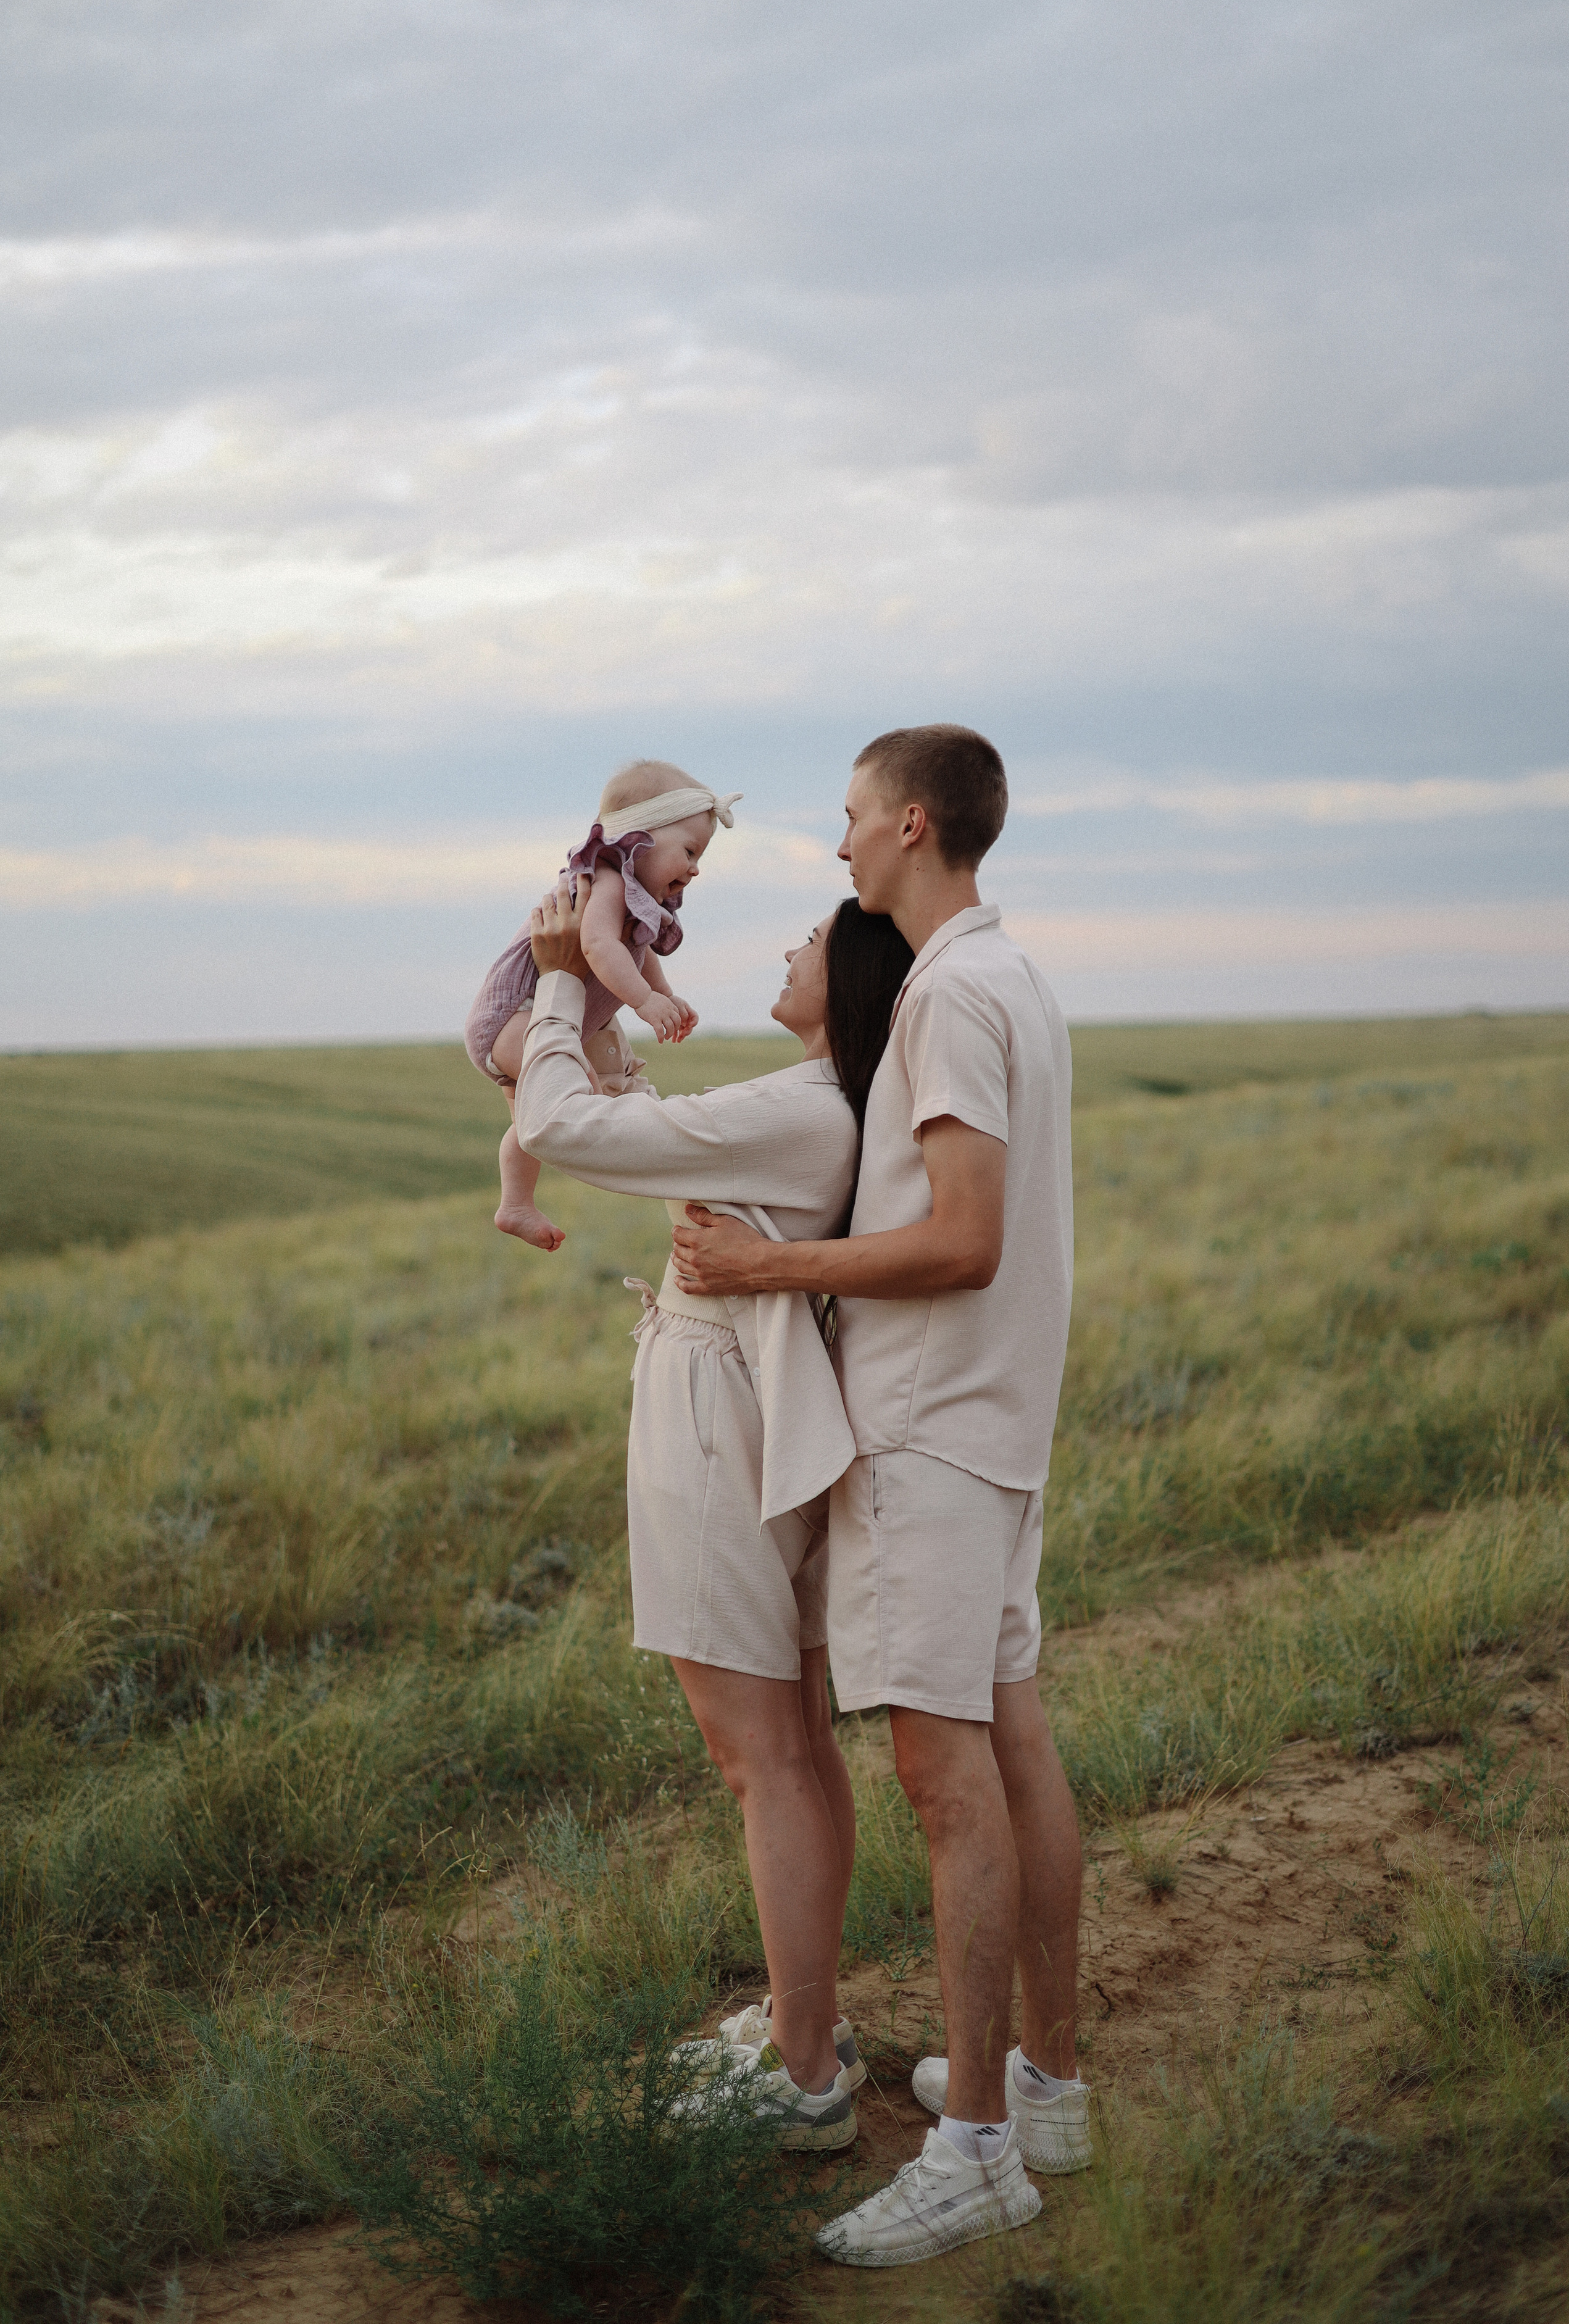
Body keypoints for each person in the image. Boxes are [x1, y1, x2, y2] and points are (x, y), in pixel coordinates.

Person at [671, 723, 1088, 2267]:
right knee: (1009, 1738)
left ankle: (975, 2149)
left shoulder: (949, 990)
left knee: (942, 1774)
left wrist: (768, 1261)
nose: (835, 846)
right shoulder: (1013, 977)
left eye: (848, 818)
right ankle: (1041, 2087)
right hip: (992, 1420)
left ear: (910, 823)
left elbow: (964, 1234)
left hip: (928, 1429)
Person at [517, 883, 915, 2152]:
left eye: (808, 943)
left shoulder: (806, 1110)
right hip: (763, 1406)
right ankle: (814, 2030)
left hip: (716, 1412)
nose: (790, 948)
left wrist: (560, 979)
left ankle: (800, 2079)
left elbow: (564, 1124)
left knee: (758, 1754)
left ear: (846, 986)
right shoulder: (834, 1108)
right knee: (793, 1738)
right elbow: (651, 1126)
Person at [464, 760, 741, 1251]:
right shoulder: (607, 880)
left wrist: (666, 994)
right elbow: (598, 947)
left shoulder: (639, 898)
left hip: (541, 1021)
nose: (696, 867)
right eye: (691, 850)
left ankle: (515, 1204)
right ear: (639, 838)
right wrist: (645, 1001)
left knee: (532, 1122)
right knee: (575, 1093)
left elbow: (639, 950)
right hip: (517, 1017)